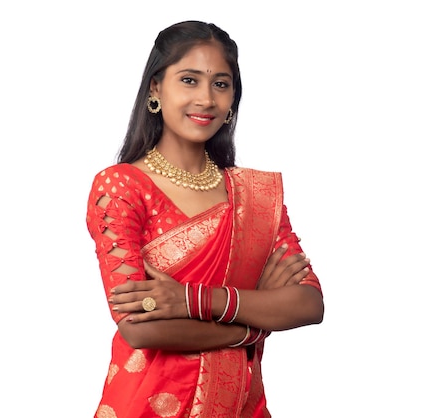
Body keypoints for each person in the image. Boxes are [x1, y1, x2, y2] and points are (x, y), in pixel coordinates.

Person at [86, 20, 324, 418]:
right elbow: (139, 327)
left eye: (221, 84)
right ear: (155, 89)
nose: (207, 99)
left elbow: (307, 303)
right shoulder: (122, 186)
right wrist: (252, 324)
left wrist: (189, 300)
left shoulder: (254, 197)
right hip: (144, 404)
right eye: (189, 80)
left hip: (241, 406)